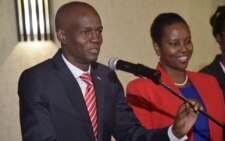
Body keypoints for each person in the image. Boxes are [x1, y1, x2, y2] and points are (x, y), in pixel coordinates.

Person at [18, 1, 202, 141]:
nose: (96, 39)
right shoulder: (37, 79)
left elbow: (131, 134)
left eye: (99, 31)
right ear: (62, 35)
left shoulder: (107, 78)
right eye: (86, 32)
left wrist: (174, 132)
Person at [126, 13, 225, 141]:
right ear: (157, 47)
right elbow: (141, 139)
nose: (184, 49)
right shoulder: (141, 89)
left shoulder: (210, 81)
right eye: (174, 44)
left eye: (188, 41)